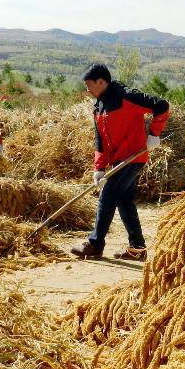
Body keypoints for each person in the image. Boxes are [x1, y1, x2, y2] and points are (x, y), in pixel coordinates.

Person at [70, 63, 170, 261]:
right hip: (118, 161)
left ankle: (95, 244)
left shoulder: (126, 96)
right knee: (124, 201)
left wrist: (154, 134)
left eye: (89, 85)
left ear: (101, 81)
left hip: (133, 157)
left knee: (108, 195)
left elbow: (161, 105)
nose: (87, 90)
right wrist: (99, 167)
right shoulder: (98, 105)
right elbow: (100, 139)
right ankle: (137, 249)